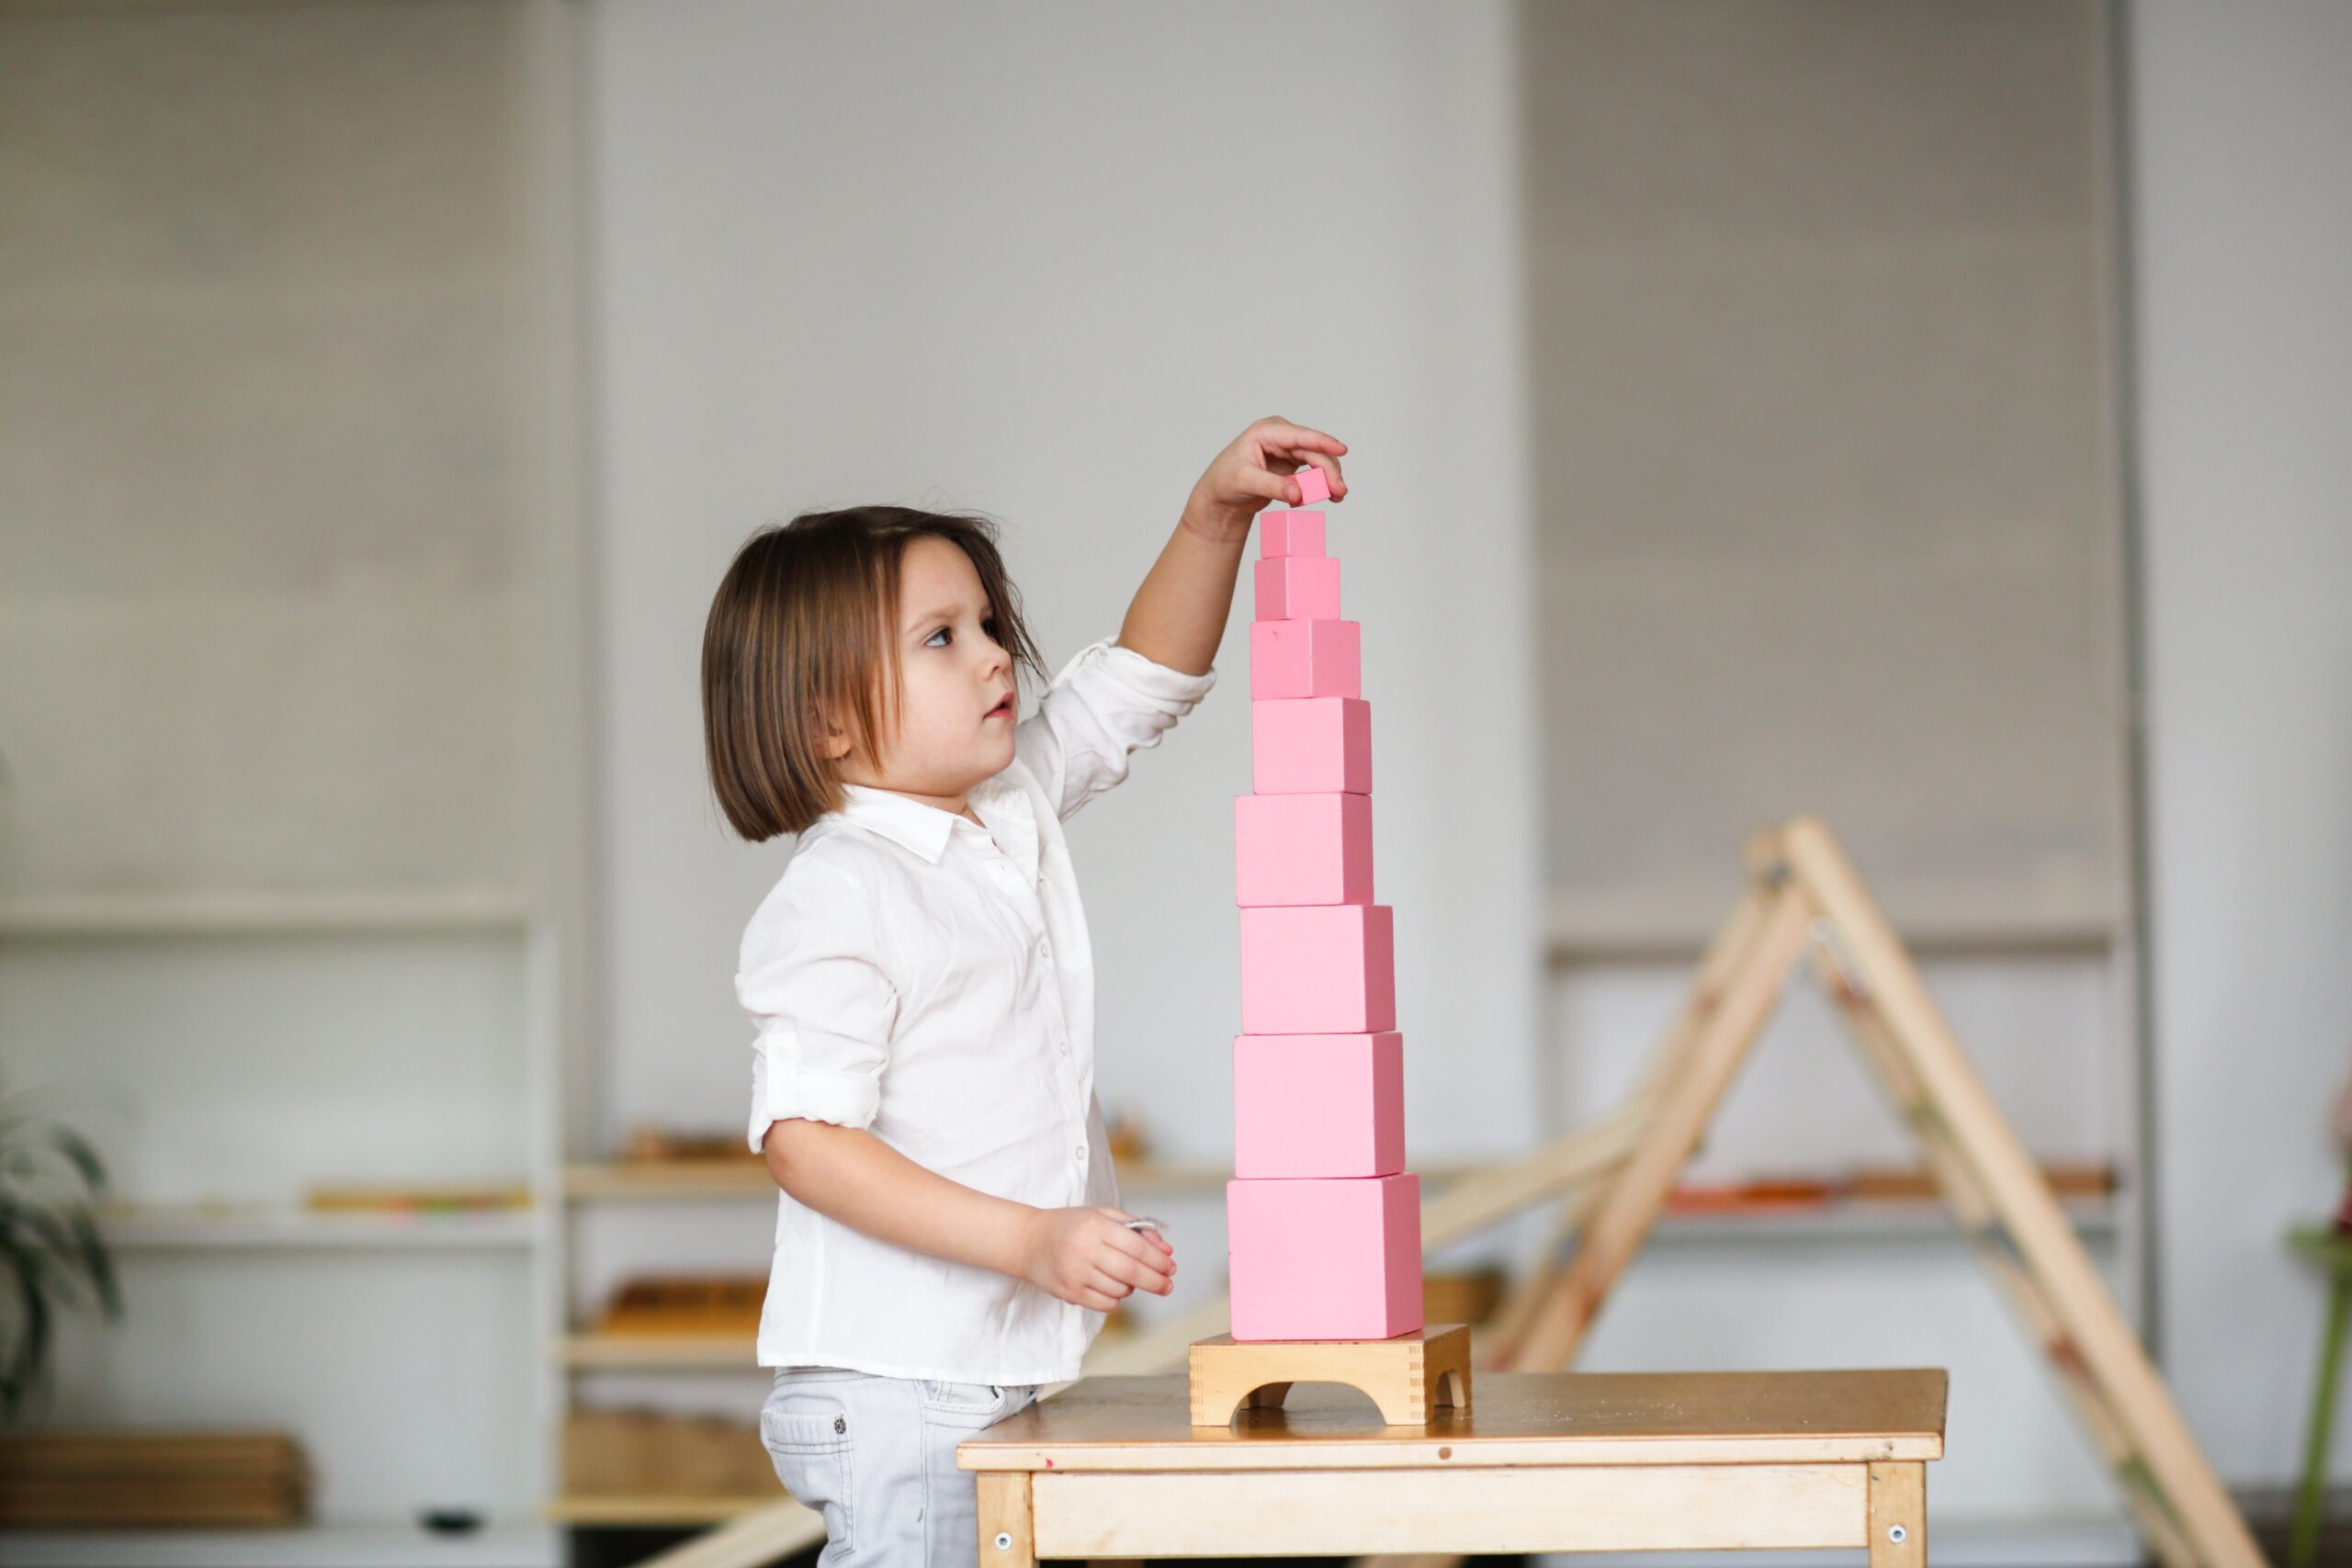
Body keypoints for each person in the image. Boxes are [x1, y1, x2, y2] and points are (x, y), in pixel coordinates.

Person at [699, 417, 1349, 1565]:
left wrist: (1213, 518)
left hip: (980, 1377)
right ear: (827, 721)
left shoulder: (1002, 816)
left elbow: (1138, 688)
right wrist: (1032, 1240)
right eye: (941, 638)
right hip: (900, 1390)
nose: (997, 655)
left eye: (988, 625)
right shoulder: (843, 888)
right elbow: (804, 1141)